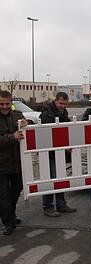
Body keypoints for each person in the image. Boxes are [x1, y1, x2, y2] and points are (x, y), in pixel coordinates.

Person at [40, 92, 77, 217]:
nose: (63, 106)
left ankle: (61, 204)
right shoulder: (46, 114)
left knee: (60, 177)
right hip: (49, 152)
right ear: (55, 101)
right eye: (61, 103)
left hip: (59, 151)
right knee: (50, 178)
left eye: (65, 104)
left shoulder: (63, 112)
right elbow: (50, 134)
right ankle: (48, 206)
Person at [0, 90, 27, 235]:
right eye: (1, 104)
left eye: (7, 103)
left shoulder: (17, 115)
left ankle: (11, 214)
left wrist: (25, 123)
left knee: (16, 191)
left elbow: (26, 130)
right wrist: (12, 136)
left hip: (18, 163)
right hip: (2, 166)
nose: (4, 106)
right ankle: (8, 223)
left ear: (11, 103)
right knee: (3, 196)